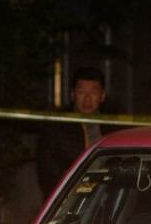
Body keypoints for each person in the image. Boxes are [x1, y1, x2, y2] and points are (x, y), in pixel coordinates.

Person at [36, 67, 113, 198]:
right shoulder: (58, 124)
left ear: (102, 96)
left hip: (104, 194)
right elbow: (46, 166)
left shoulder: (113, 125)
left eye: (94, 92)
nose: (87, 99)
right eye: (81, 92)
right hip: (67, 195)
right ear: (73, 94)